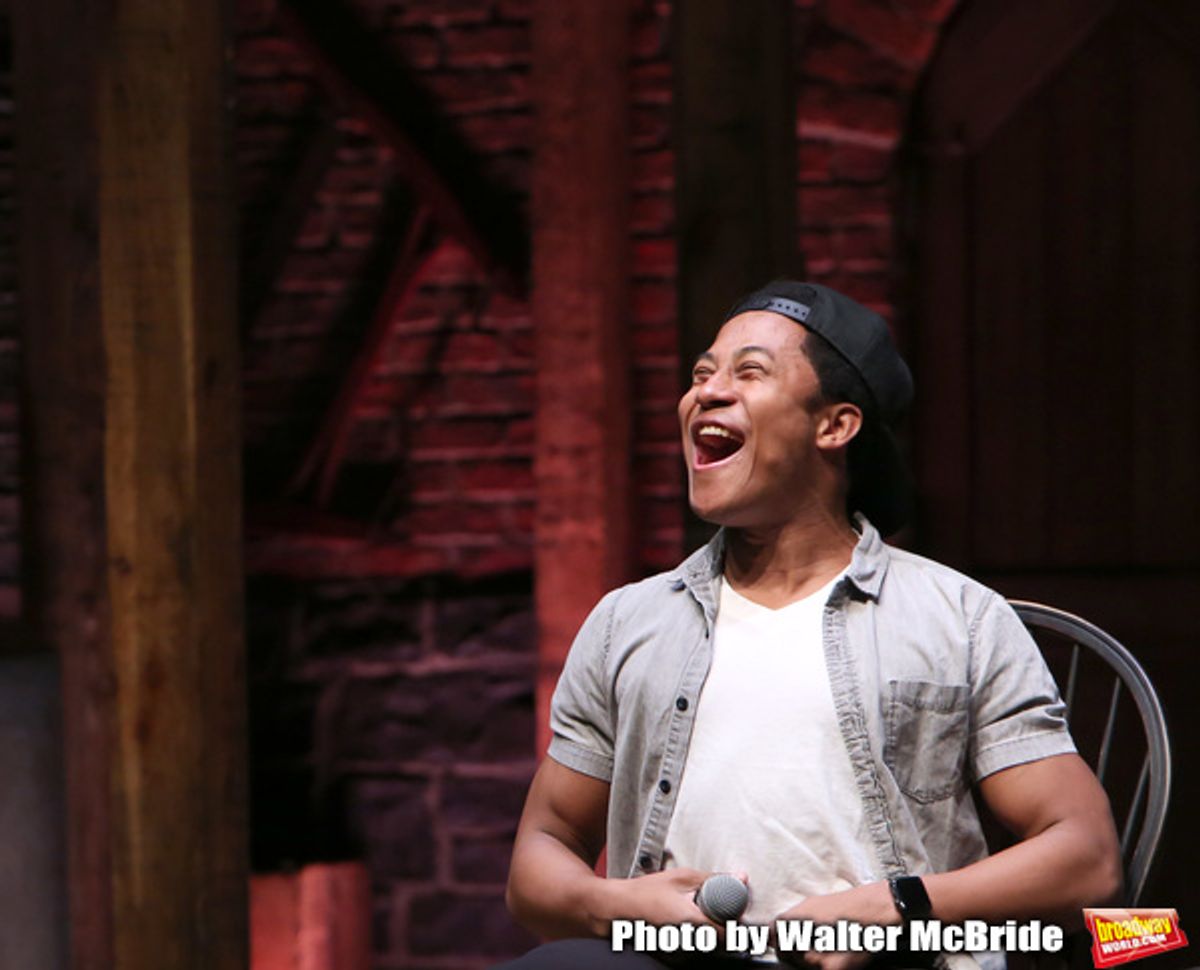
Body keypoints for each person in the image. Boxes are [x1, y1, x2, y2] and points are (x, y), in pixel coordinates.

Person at [500, 280, 1121, 970]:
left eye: (749, 372)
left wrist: (896, 906)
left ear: (835, 425)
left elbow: (1086, 859)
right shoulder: (628, 622)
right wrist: (619, 907)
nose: (705, 391)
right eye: (702, 373)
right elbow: (539, 857)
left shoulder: (960, 617)